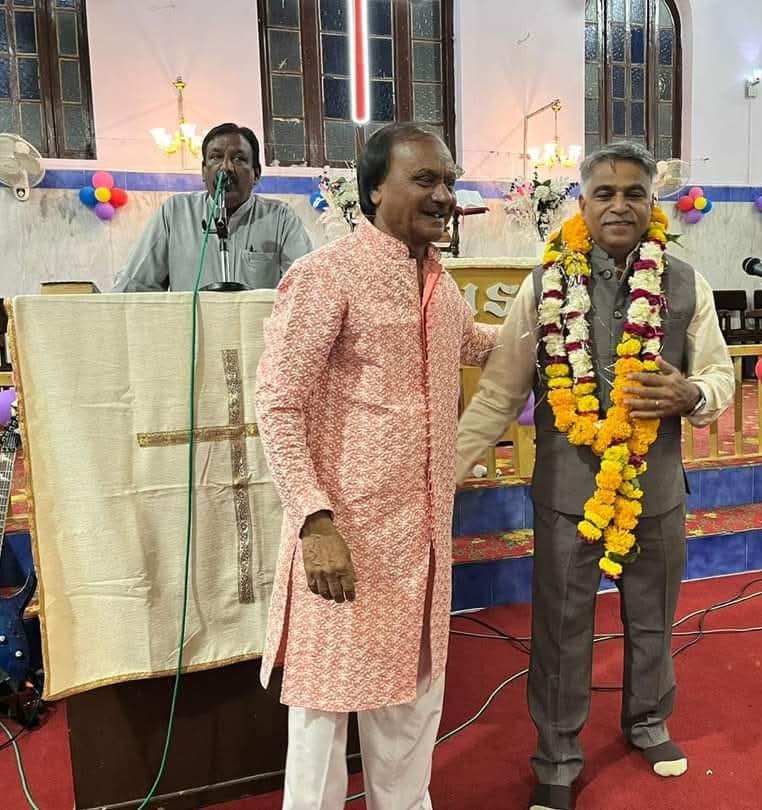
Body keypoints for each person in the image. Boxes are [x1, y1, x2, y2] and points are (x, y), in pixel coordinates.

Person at [455, 142, 735, 810]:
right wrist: (443, 474)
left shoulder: (686, 283)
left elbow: (720, 375)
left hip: (654, 493)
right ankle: (556, 757)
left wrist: (691, 394)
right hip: (565, 497)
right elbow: (498, 393)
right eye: (604, 193)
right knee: (560, 629)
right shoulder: (542, 285)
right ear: (581, 203)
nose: (619, 205)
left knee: (653, 620)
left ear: (652, 202)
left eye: (634, 192)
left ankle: (648, 723)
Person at [255, 123, 499, 810]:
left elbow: (475, 344)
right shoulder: (326, 274)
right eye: (424, 180)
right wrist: (315, 523)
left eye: (448, 181)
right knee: (323, 718)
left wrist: (556, 326)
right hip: (346, 540)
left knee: (411, 707)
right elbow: (278, 403)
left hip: (420, 546)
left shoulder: (440, 285)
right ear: (373, 191)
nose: (444, 195)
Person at [112, 122, 311, 291]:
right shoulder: (175, 213)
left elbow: (306, 288)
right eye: (216, 157)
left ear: (256, 174)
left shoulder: (281, 218)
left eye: (239, 158)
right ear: (203, 171)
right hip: (193, 327)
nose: (226, 167)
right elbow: (132, 286)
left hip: (257, 327)